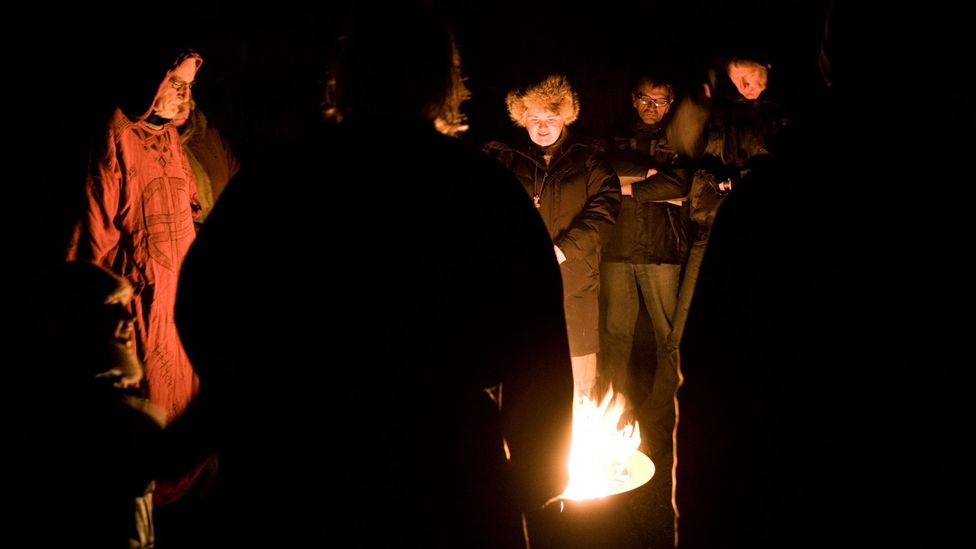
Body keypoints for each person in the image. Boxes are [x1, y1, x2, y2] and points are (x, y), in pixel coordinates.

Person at [164, 4, 574, 547]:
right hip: (443, 477)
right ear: (445, 83)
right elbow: (538, 348)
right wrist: (539, 487)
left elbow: (206, 304)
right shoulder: (479, 189)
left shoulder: (284, 179)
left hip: (296, 471)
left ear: (344, 76)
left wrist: (243, 403)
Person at [675, 5, 972, 546]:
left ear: (826, 62)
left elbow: (714, 378)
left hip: (789, 488)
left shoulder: (775, 198)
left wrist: (698, 519)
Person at [65, 48, 210, 509]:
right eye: (175, 84)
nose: (184, 95)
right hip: (141, 305)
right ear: (153, 81)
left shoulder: (168, 137)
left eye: (189, 86)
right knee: (148, 408)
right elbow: (93, 227)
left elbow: (190, 205)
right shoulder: (116, 134)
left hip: (177, 299)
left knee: (184, 402)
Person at [483, 74, 621, 400]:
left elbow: (605, 208)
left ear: (565, 118)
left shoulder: (587, 159)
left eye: (551, 118)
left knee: (579, 386)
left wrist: (564, 249)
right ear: (522, 119)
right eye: (534, 118)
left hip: (575, 283)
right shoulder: (506, 159)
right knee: (528, 377)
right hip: (521, 286)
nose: (542, 127)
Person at [14, 261, 165, 548]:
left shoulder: (115, 411)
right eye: (111, 304)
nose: (128, 316)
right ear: (74, 320)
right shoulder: (78, 421)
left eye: (125, 303)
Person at [600, 74, 691, 548]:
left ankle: (661, 418)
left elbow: (683, 182)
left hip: (661, 250)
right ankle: (614, 414)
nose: (653, 106)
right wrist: (651, 177)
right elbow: (608, 172)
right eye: (645, 99)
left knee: (666, 336)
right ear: (632, 99)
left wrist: (638, 181)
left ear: (670, 102)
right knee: (614, 334)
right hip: (617, 249)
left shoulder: (677, 139)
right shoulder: (613, 135)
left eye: (661, 100)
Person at [667, 53, 789, 364]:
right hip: (711, 226)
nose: (745, 85)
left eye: (749, 75)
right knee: (685, 329)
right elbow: (683, 143)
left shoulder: (782, 110)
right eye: (736, 77)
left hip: (761, 230)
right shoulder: (718, 105)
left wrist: (740, 181)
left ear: (766, 63)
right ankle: (668, 403)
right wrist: (703, 93)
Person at [172, 95, 240, 228]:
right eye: (175, 101)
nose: (180, 109)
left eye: (185, 101)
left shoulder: (211, 137)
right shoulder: (155, 149)